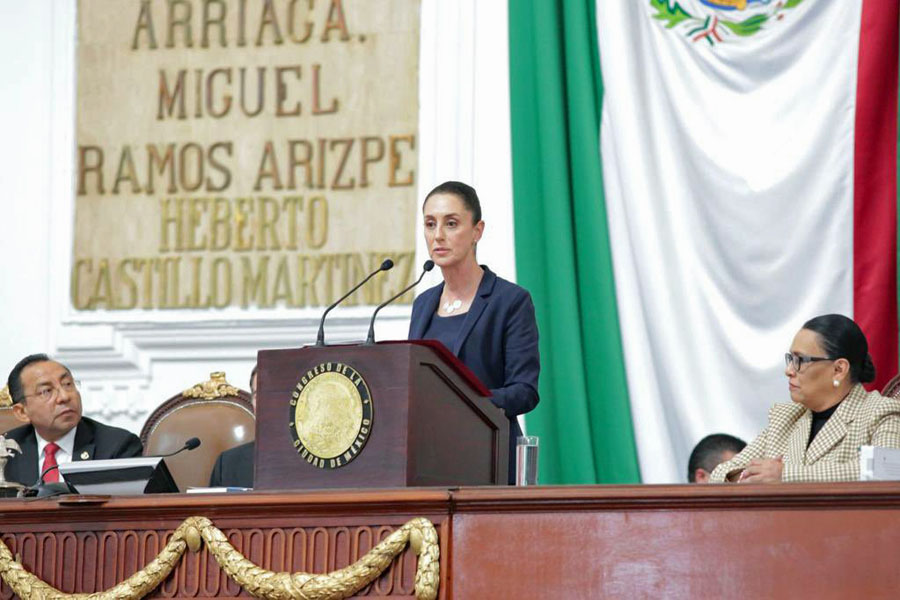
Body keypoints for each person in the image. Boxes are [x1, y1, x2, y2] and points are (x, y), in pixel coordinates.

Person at [408, 181, 540, 484]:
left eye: (451, 223)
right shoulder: (423, 304)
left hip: (489, 458)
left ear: (477, 231)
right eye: (430, 224)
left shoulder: (510, 300)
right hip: (430, 461)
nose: (438, 235)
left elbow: (525, 391)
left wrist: (466, 403)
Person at [711, 314, 900, 483]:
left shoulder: (881, 413)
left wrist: (784, 475)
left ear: (838, 369)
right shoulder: (785, 417)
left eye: (800, 361)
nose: (789, 371)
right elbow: (721, 474)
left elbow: (884, 473)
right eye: (790, 359)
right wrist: (751, 477)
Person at [4, 354, 143, 486]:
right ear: (22, 412)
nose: (64, 397)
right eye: (46, 391)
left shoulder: (118, 448)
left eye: (68, 384)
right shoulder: (6, 450)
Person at [209, 365, 256, 488]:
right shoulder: (227, 464)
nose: (265, 401)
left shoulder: (310, 461)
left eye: (271, 393)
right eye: (258, 395)